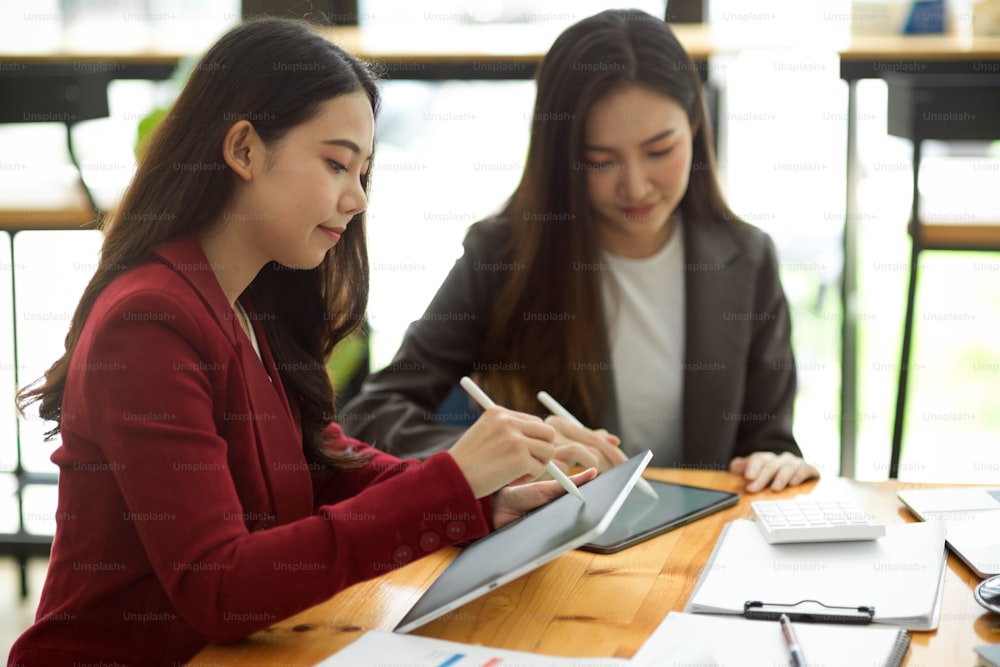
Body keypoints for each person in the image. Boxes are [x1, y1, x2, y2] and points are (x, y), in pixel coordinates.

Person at [8, 19, 594, 667]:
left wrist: (482, 498)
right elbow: (219, 587)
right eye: (337, 163)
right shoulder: (149, 321)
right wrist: (448, 484)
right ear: (244, 149)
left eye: (364, 171)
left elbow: (322, 463)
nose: (356, 196)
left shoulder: (251, 302)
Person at [341, 9, 820, 493]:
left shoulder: (747, 259)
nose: (635, 186)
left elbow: (769, 442)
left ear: (696, 123)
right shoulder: (505, 253)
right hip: (566, 552)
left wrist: (778, 462)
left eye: (659, 151)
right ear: (562, 156)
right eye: (600, 161)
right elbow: (371, 415)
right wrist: (514, 451)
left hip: (698, 544)